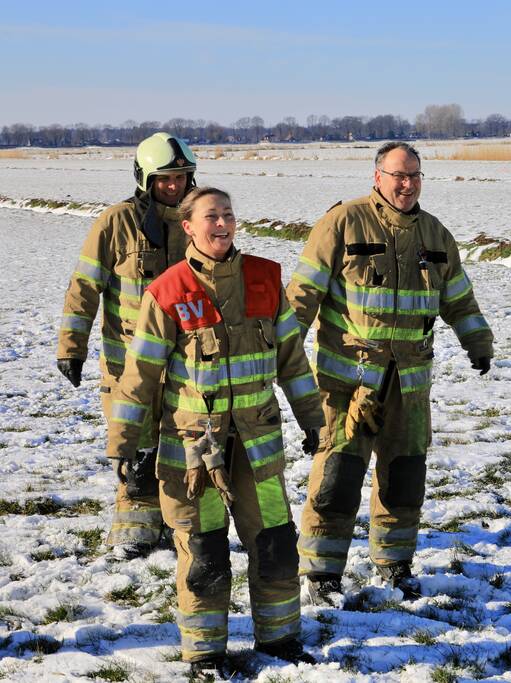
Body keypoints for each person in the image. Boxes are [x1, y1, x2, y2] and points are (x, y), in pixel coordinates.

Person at [106, 187, 323, 675]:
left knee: (275, 543)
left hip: (258, 445)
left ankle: (281, 640)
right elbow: (139, 376)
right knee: (204, 552)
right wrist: (124, 444)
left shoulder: (266, 278)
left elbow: (292, 359)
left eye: (228, 214)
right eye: (211, 216)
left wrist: (312, 418)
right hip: (194, 454)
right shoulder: (167, 290)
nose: (222, 223)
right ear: (188, 226)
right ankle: (204, 653)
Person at [287, 141, 493, 604]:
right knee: (338, 476)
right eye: (398, 175)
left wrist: (477, 340)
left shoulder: (436, 236)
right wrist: (282, 352)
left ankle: (395, 566)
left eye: (415, 175)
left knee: (404, 478)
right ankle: (320, 574)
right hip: (349, 383)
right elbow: (302, 294)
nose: (407, 184)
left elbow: (458, 298)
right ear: (377, 176)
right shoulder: (342, 223)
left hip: (410, 384)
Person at [57, 132, 197, 560]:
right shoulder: (115, 223)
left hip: (187, 364)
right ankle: (134, 529)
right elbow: (85, 286)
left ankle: (178, 525)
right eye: (164, 179)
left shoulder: (200, 221)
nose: (173, 187)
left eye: (180, 177)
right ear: (145, 179)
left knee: (180, 444)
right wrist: (71, 346)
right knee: (134, 445)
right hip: (128, 366)